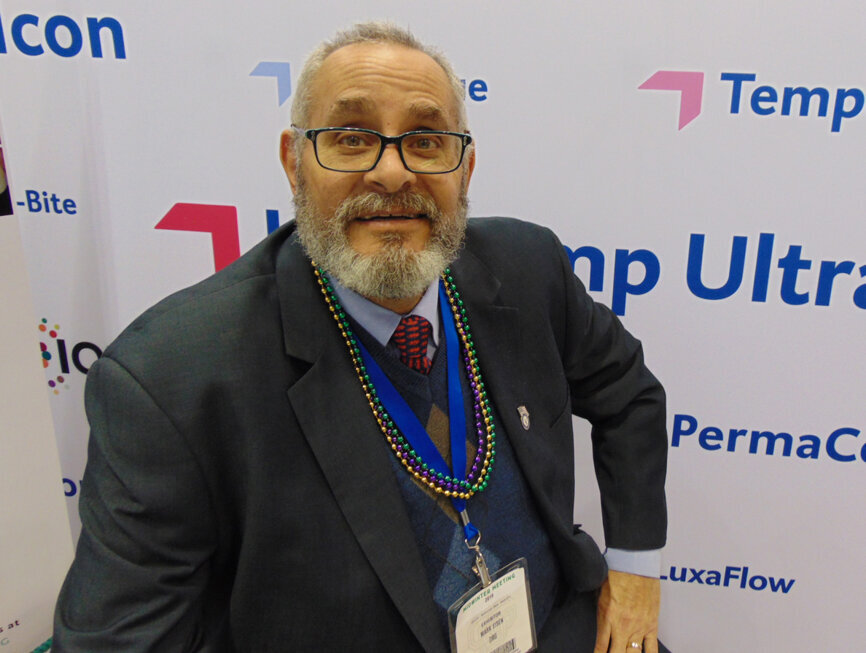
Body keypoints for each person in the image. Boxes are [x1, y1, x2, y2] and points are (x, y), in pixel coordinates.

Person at [53, 22, 668, 653]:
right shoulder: (170, 381)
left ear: (466, 167)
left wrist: (637, 570)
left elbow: (630, 395)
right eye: (351, 138)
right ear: (294, 161)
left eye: (427, 140)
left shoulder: (529, 266)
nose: (393, 172)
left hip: (560, 627)